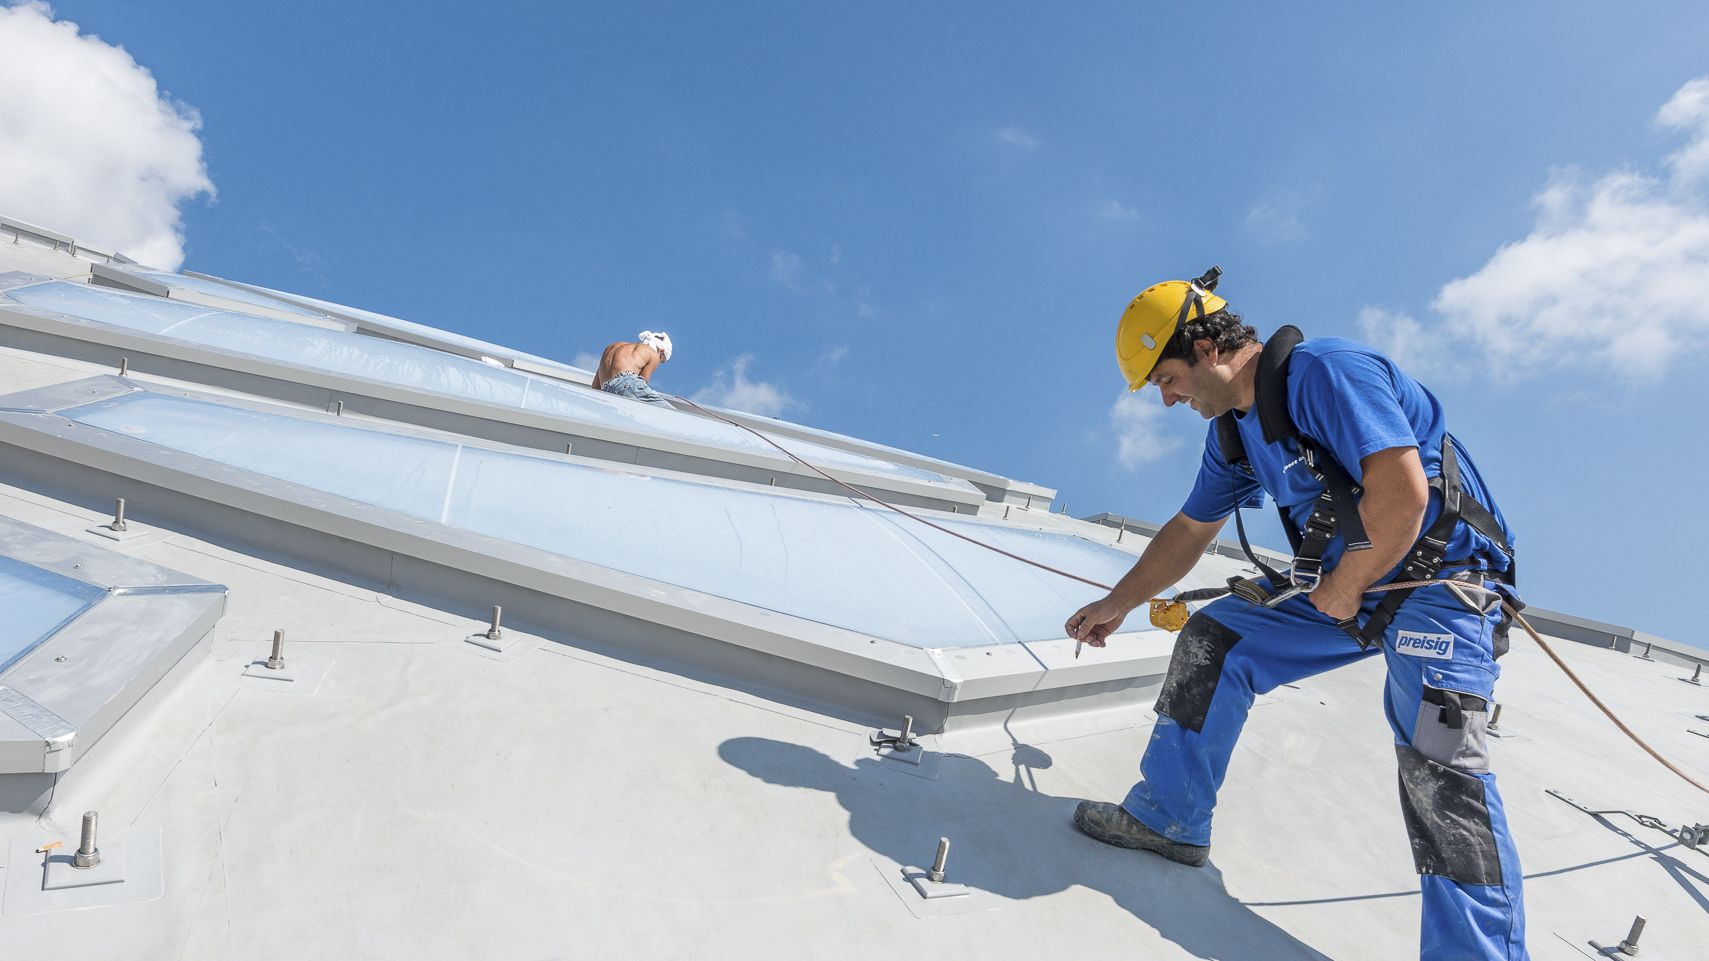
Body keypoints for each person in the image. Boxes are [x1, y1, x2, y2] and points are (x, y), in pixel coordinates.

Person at [1066, 268, 1528, 961]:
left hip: (1440, 587)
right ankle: (1170, 817)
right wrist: (1117, 601)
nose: (1165, 398)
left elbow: (1401, 493)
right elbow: (1191, 527)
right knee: (1215, 638)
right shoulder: (1234, 432)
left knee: (1441, 769)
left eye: (1165, 377)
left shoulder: (1324, 372)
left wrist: (1345, 581)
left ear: (1200, 345)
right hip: (1353, 585)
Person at [592, 331, 674, 408]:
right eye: (662, 360)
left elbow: (595, 385)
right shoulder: (653, 354)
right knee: (671, 412)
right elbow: (642, 382)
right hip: (627, 384)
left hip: (606, 389)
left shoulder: (613, 347)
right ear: (661, 350)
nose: (659, 362)